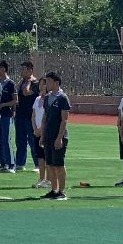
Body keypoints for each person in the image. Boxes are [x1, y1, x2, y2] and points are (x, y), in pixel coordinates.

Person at [40, 72, 71, 200]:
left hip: (58, 136)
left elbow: (64, 120)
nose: (46, 84)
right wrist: (42, 135)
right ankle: (54, 190)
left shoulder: (63, 98)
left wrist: (59, 138)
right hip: (48, 135)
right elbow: (45, 117)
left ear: (56, 83)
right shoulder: (47, 98)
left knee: (58, 164)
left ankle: (62, 191)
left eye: (49, 81)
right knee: (49, 165)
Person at [15, 61, 40, 175]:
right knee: (20, 141)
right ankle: (20, 163)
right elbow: (17, 92)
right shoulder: (22, 82)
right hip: (20, 115)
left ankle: (37, 164)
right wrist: (22, 82)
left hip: (30, 116)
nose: (21, 72)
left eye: (24, 69)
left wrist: (28, 81)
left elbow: (26, 92)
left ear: (30, 70)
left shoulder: (35, 83)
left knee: (33, 140)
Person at [0, 61, 17, 172]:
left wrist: (3, 105)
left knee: (6, 139)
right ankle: (3, 163)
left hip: (6, 115)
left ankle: (11, 164)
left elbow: (15, 101)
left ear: (3, 69)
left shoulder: (10, 83)